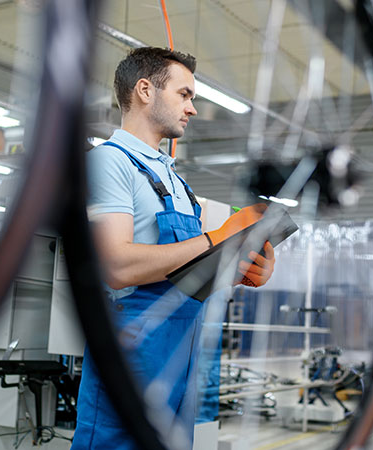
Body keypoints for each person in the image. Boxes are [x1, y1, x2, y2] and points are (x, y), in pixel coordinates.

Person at [71, 47, 276, 449]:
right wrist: (217, 238)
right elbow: (117, 265)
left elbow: (184, 276)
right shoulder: (110, 163)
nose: (193, 108)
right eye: (184, 95)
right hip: (131, 358)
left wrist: (240, 268)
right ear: (145, 90)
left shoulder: (177, 183)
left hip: (183, 356)